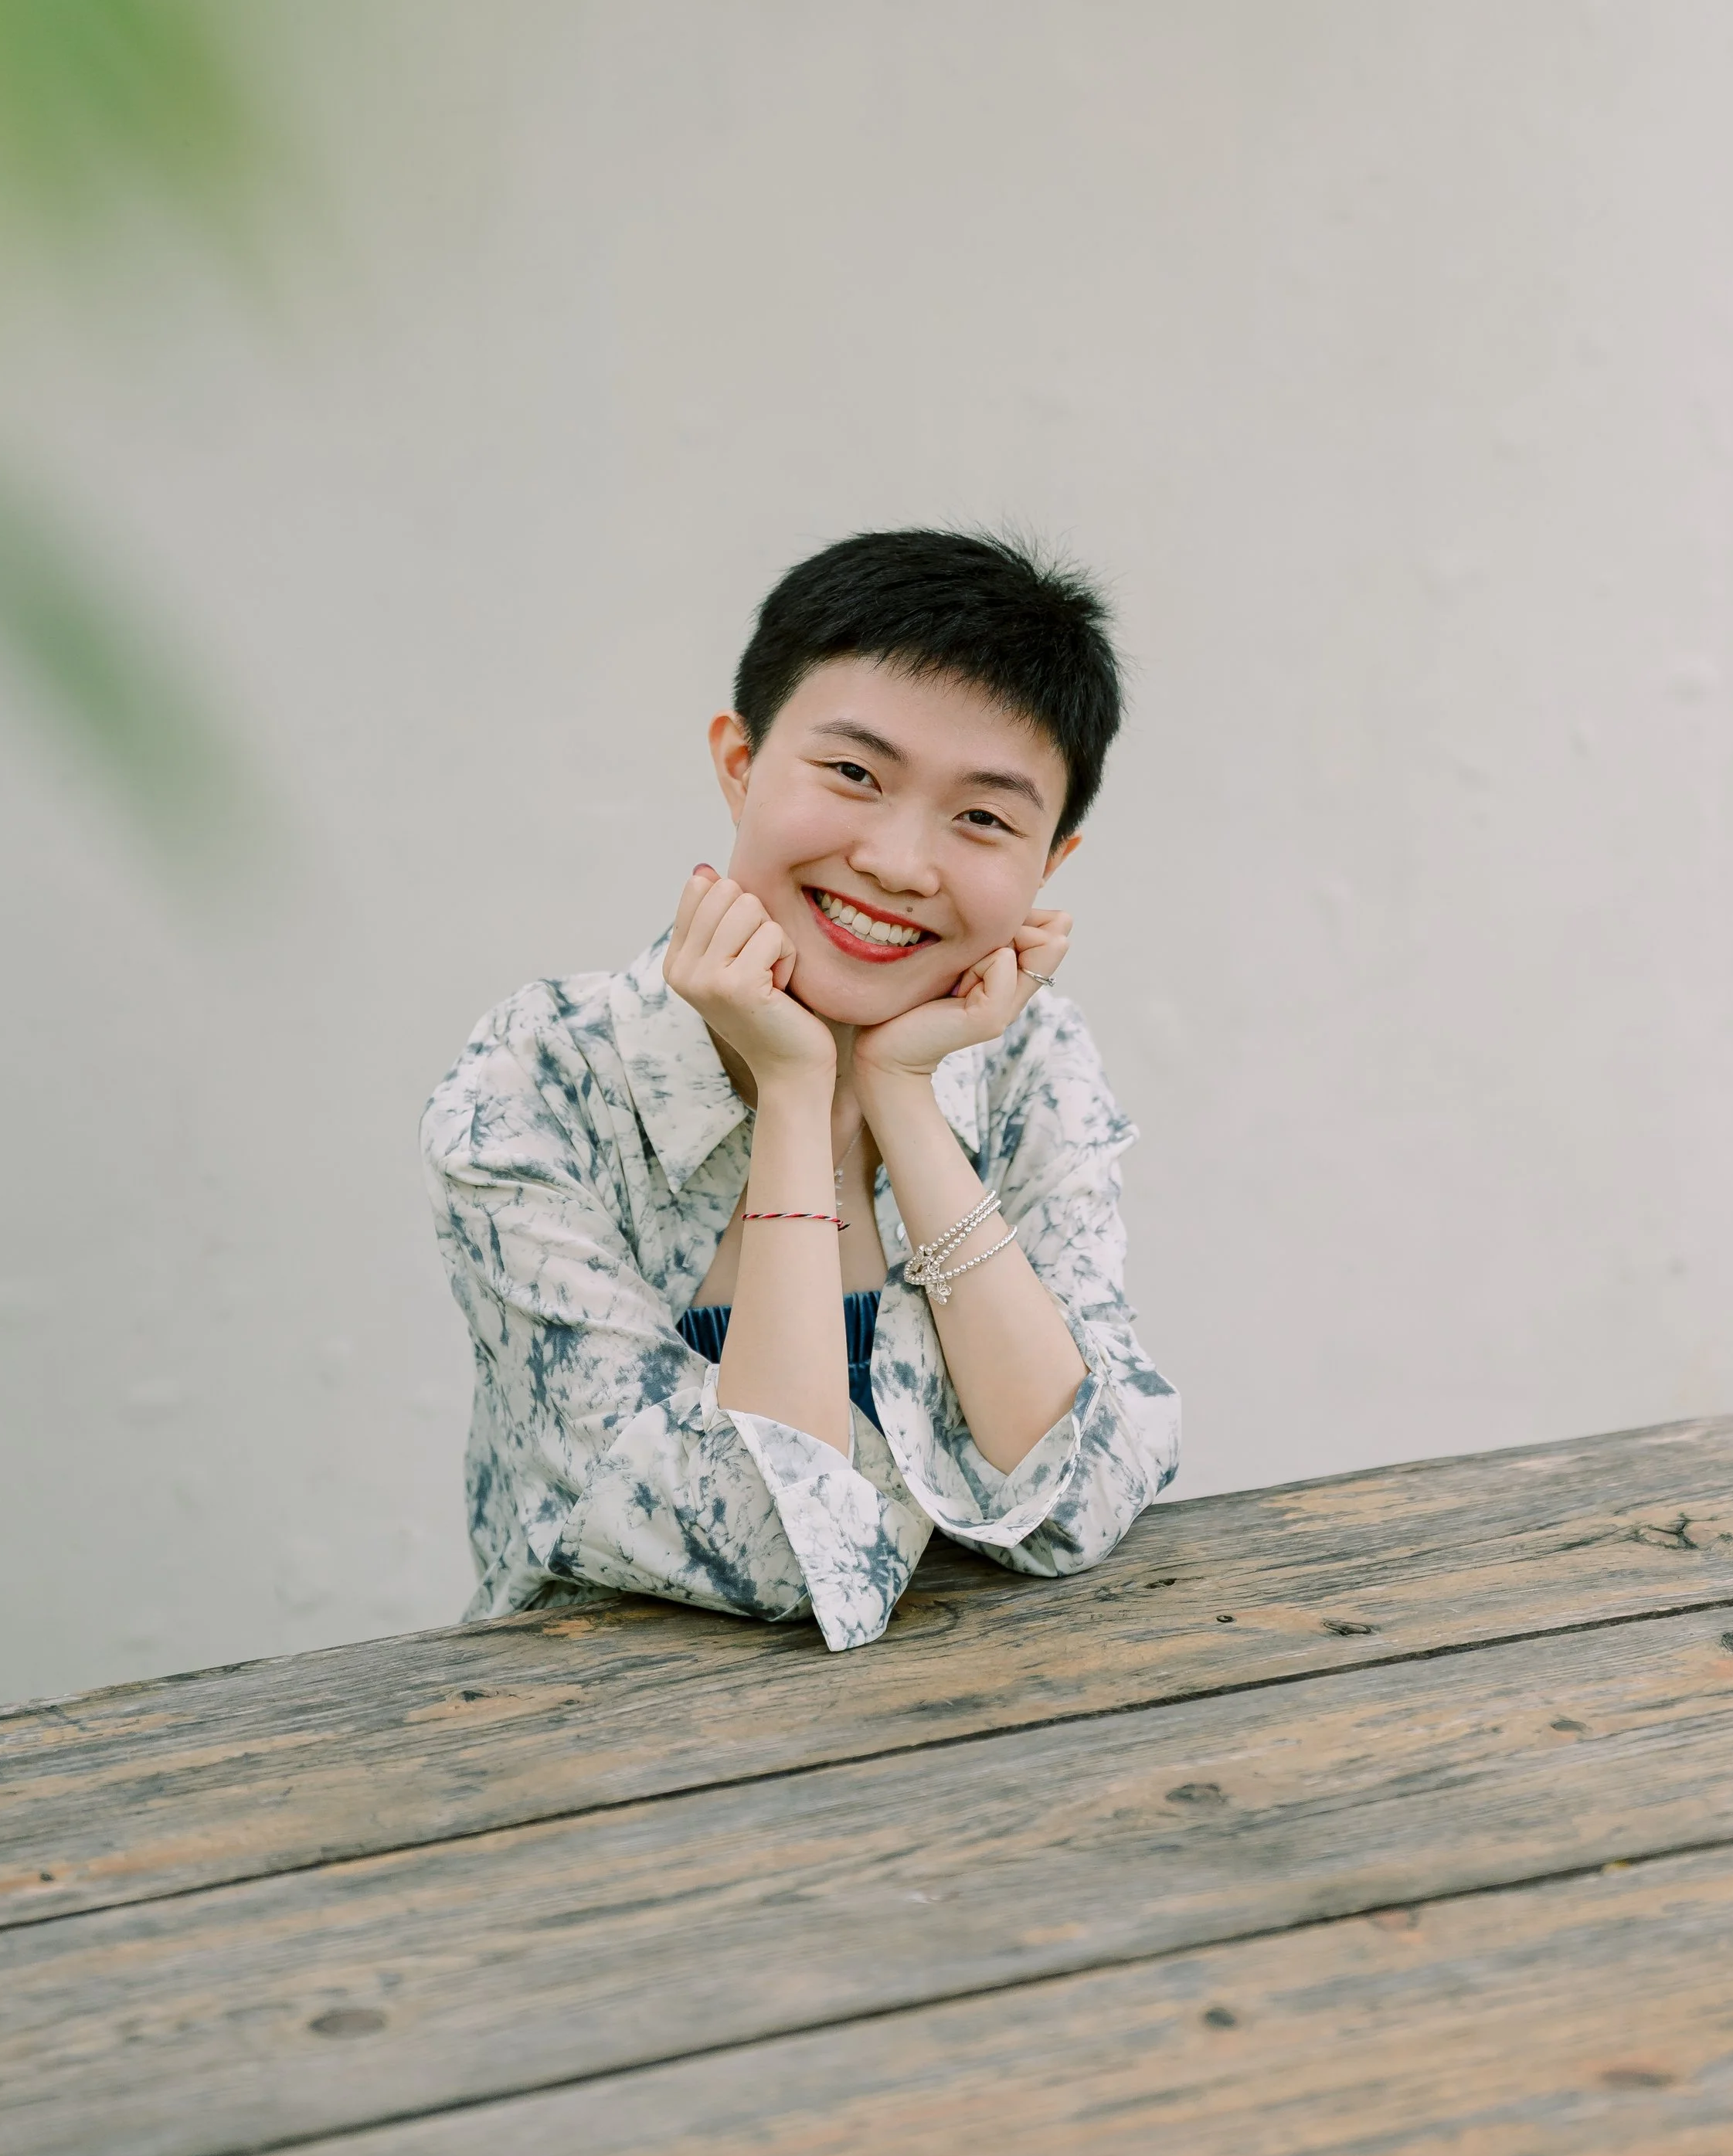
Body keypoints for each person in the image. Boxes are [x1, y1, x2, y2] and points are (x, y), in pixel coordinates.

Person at [422, 529, 1182, 1652]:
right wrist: (791, 1091)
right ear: (738, 763)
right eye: (853, 775)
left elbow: (1078, 1500)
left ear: (1050, 863)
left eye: (982, 816)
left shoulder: (1024, 1055)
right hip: (606, 1757)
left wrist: (903, 1095)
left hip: (988, 1734)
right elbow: (772, 1550)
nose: (899, 860)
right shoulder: (539, 1080)